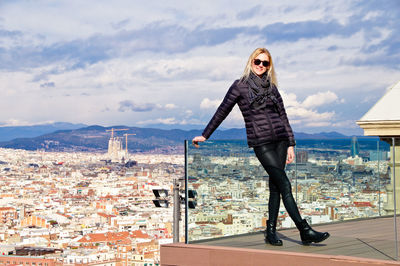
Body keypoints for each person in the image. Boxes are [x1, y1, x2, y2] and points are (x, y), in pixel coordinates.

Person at [192, 48, 330, 246]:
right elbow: (222, 110)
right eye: (258, 61)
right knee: (284, 184)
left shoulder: (272, 87)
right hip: (261, 142)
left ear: (269, 66)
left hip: (281, 140)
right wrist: (206, 134)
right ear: (251, 61)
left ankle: (271, 232)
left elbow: (283, 115)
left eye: (265, 63)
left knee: (275, 187)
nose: (260, 66)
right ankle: (304, 230)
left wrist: (291, 144)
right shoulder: (239, 86)